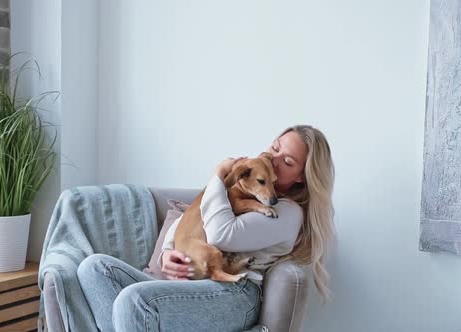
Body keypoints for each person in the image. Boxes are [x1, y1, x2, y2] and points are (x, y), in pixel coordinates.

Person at [76, 125, 335, 332]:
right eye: (274, 148)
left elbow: (220, 233)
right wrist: (167, 252)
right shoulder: (246, 182)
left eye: (287, 162)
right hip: (198, 279)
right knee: (94, 268)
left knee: (134, 301)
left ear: (302, 176)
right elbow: (192, 217)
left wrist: (217, 176)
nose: (272, 159)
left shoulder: (288, 212)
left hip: (235, 293)